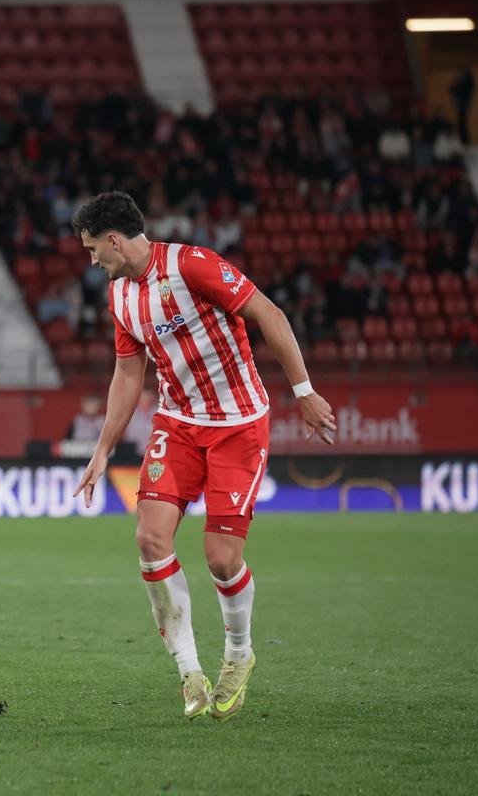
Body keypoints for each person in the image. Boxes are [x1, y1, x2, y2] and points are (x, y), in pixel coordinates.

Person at [70, 192, 335, 721]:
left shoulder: (193, 265)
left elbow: (268, 312)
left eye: (93, 248)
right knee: (149, 538)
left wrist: (303, 390)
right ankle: (189, 671)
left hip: (239, 424)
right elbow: (128, 374)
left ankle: (239, 656)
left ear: (115, 240)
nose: (91, 258)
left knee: (221, 558)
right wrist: (102, 450)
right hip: (178, 424)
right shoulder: (120, 296)